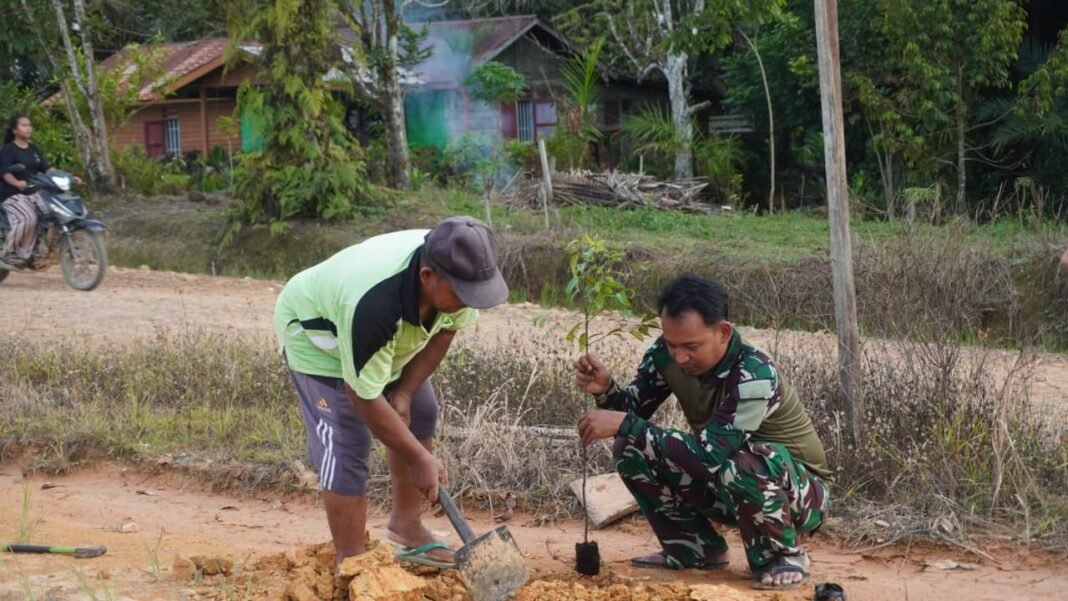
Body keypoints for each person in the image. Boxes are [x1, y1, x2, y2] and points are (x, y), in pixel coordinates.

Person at [274, 216, 508, 567]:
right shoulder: (374, 303)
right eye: (463, 294)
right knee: (347, 442)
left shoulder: (459, 274)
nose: (470, 301)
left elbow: (444, 332)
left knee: (422, 411)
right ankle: (352, 561)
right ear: (428, 278)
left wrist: (405, 392)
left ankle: (407, 529)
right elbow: (363, 397)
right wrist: (419, 459)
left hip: (385, 339)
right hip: (319, 339)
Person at [573, 274, 832, 590]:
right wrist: (607, 392)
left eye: (691, 346)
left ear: (723, 332)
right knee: (630, 447)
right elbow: (631, 413)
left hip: (799, 496)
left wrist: (626, 423)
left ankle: (781, 555)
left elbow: (709, 456)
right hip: (727, 482)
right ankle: (694, 550)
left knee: (742, 461)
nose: (680, 357)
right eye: (672, 345)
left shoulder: (754, 374)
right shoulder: (664, 355)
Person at [0, 115, 77, 267]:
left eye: (30, 125)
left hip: (33, 193)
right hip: (11, 195)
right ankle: (10, 252)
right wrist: (17, 183)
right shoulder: (8, 150)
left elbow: (48, 169)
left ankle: (41, 250)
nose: (28, 128)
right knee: (28, 218)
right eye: (24, 125)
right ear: (15, 130)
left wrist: (68, 177)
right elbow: (5, 172)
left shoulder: (33, 149)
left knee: (54, 212)